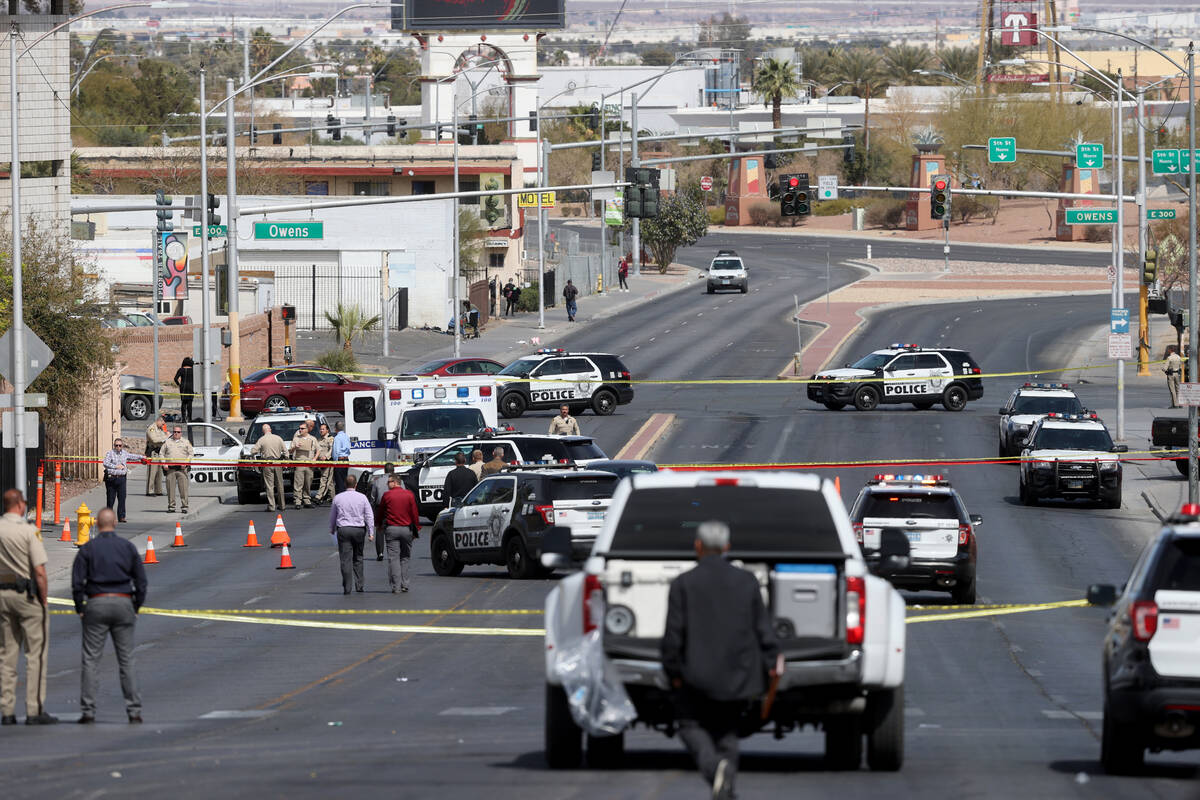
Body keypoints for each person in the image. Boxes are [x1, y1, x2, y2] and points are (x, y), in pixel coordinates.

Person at [662, 520, 781, 800]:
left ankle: (714, 768)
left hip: (695, 676)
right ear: (727, 547)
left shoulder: (684, 583)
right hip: (738, 675)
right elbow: (762, 628)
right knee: (727, 732)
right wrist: (771, 662)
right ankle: (725, 787)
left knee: (690, 724)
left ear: (698, 546)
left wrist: (673, 670)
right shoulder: (747, 582)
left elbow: (673, 636)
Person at [71, 507, 147, 724]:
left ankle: (88, 710)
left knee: (91, 659)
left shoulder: (88, 549)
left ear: (96, 524)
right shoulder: (127, 547)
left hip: (96, 602)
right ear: (114, 523)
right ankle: (134, 710)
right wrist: (135, 606)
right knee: (126, 659)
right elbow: (141, 582)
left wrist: (81, 608)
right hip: (123, 601)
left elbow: (77, 583)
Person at [0, 489, 55, 725]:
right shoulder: (28, 531)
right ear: (20, 505)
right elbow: (40, 571)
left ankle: (7, 710)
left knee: (6, 654)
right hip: (26, 595)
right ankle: (34, 709)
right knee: (36, 654)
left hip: (3, 595)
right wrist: (43, 599)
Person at [329, 474, 375, 594]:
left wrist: (332, 529)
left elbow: (333, 515)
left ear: (345, 485)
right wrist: (371, 532)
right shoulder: (362, 497)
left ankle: (347, 587)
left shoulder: (338, 498)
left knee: (345, 559)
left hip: (343, 529)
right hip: (359, 529)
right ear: (355, 485)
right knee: (358, 557)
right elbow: (369, 515)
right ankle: (359, 585)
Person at [377, 475, 420, 593]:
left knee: (393, 558)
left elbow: (381, 512)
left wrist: (379, 525)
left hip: (392, 529)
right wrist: (417, 527)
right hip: (406, 529)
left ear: (395, 482)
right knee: (405, 557)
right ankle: (405, 583)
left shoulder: (387, 495)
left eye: (389, 482)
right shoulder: (409, 494)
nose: (387, 484)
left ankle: (396, 586)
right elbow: (414, 513)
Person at [252, 423, 286, 512]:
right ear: (270, 429)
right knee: (280, 485)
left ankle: (272, 506)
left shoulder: (262, 439)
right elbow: (285, 451)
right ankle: (282, 505)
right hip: (278, 462)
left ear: (263, 431)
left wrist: (256, 453)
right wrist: (286, 460)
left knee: (269, 486)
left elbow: (253, 451)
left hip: (267, 463)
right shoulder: (278, 438)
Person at [159, 424, 193, 514]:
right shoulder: (167, 442)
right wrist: (164, 464)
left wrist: (186, 463)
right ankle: (171, 507)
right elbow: (161, 453)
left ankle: (184, 506)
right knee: (170, 489)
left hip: (182, 469)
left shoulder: (186, 442)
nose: (176, 434)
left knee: (183, 489)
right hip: (170, 469)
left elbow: (191, 454)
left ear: (181, 433)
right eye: (174, 432)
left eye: (178, 432)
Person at [102, 437, 134, 523]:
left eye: (120, 445)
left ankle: (122, 516)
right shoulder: (110, 453)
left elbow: (133, 456)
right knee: (110, 499)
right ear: (114, 446)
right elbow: (105, 463)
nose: (118, 447)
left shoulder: (124, 453)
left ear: (122, 446)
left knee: (122, 498)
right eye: (116, 445)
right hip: (111, 478)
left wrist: (143, 457)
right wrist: (115, 466)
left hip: (121, 478)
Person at [369, 464, 396, 562]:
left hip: (380, 507)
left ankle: (380, 552)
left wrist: (372, 509)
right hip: (394, 507)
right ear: (393, 471)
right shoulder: (398, 481)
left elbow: (373, 497)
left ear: (384, 471)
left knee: (380, 530)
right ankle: (393, 552)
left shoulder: (377, 481)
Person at [291, 420, 318, 509]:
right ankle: (298, 501)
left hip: (309, 463)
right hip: (299, 463)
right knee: (298, 483)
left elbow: (319, 449)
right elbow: (290, 451)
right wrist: (295, 447)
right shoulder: (296, 438)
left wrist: (315, 458)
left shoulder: (313, 438)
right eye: (299, 428)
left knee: (308, 482)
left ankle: (307, 500)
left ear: (307, 429)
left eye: (302, 428)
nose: (300, 430)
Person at [144, 413, 168, 496]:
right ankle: (150, 491)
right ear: (159, 420)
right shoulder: (152, 428)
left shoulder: (160, 429)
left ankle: (158, 490)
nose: (163, 424)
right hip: (153, 452)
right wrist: (165, 437)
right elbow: (154, 439)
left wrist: (166, 437)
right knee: (152, 472)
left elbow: (164, 438)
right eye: (163, 422)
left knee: (159, 472)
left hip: (160, 452)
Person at [314, 422, 335, 505]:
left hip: (328, 462)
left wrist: (326, 457)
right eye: (320, 429)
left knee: (324, 479)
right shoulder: (319, 439)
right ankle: (333, 498)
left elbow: (332, 449)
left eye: (323, 429)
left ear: (327, 430)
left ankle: (319, 497)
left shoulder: (330, 439)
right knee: (330, 482)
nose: (321, 430)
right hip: (321, 463)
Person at [173, 357, 195, 422]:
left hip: (183, 387)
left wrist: (179, 385)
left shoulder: (181, 370)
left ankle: (183, 418)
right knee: (190, 403)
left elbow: (175, 379)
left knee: (183, 402)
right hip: (191, 387)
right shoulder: (193, 370)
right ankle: (189, 418)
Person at [332, 421, 351, 494]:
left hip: (339, 460)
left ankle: (340, 497)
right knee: (344, 480)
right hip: (346, 459)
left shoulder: (337, 438)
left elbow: (336, 451)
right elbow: (349, 449)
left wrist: (335, 462)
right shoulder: (346, 436)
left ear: (335, 428)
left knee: (339, 482)